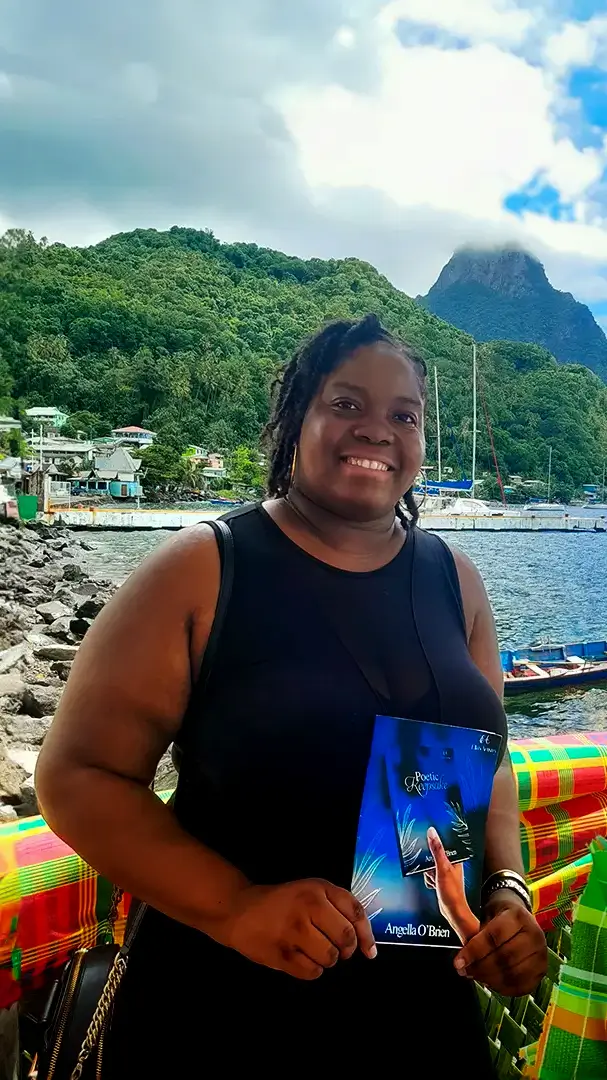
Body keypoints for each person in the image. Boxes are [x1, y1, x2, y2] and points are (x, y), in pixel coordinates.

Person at [36, 314, 547, 1076]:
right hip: (227, 1002)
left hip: (415, 1014)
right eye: (345, 405)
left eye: (402, 414)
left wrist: (505, 893)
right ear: (295, 421)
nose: (376, 429)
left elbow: (489, 764)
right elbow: (76, 776)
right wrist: (236, 906)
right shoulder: (206, 568)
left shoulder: (454, 580)